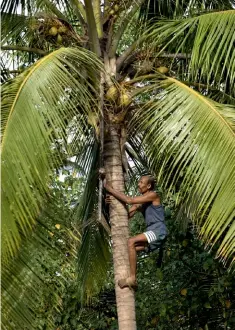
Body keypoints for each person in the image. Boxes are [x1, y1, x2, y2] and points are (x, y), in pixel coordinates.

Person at [103, 175, 167, 289]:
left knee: (131, 241)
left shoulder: (153, 195)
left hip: (158, 230)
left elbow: (129, 200)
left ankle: (132, 278)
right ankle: (133, 280)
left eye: (141, 182)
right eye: (138, 182)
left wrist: (110, 189)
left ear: (148, 186)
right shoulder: (139, 203)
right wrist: (110, 203)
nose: (138, 184)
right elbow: (125, 216)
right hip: (153, 232)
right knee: (129, 249)